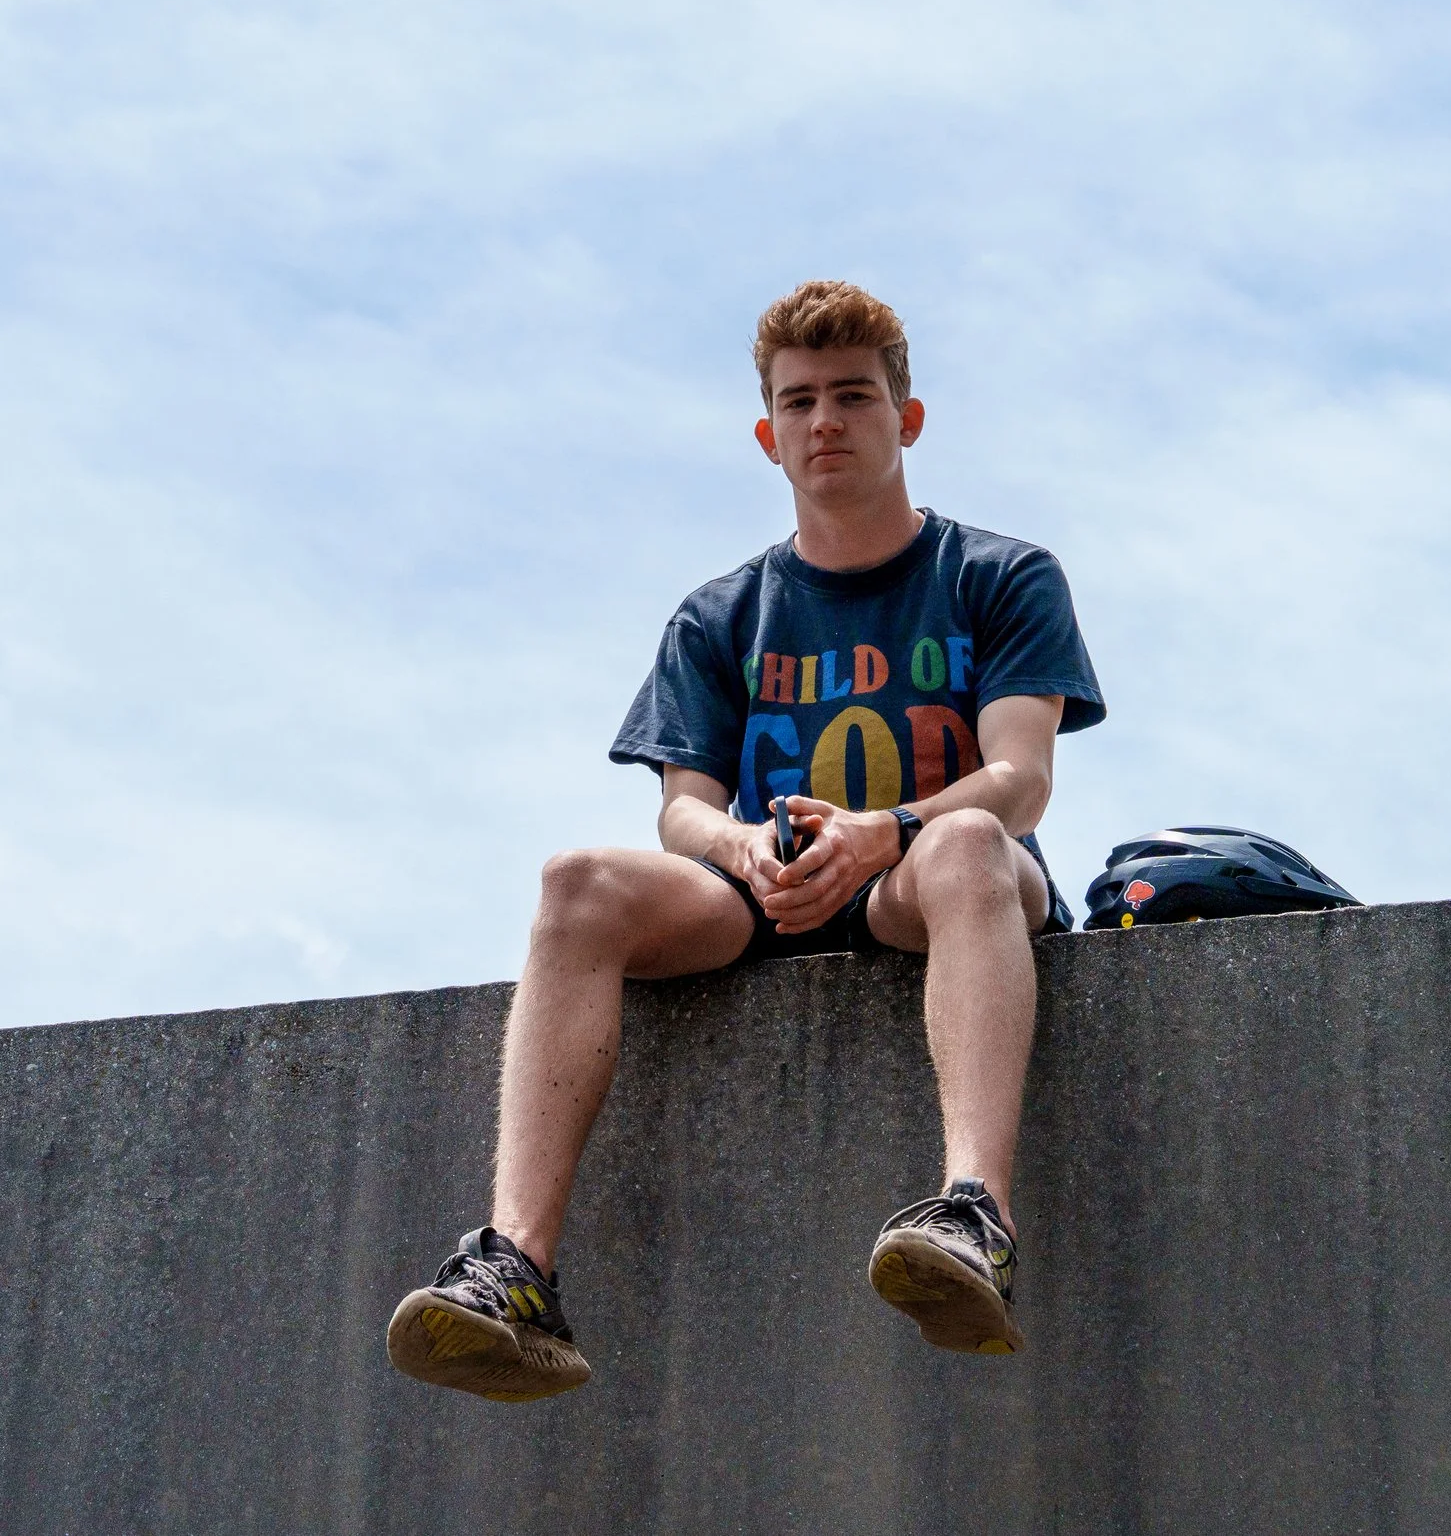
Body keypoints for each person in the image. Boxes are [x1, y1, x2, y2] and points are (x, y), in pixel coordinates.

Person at [385, 280, 1105, 1402]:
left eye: (855, 396)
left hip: (927, 881)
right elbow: (681, 808)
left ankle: (974, 1216)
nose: (828, 422)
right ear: (768, 435)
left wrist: (888, 830)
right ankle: (514, 1265)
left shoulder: (998, 575)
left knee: (966, 840)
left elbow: (1021, 779)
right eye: (802, 401)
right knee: (574, 881)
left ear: (906, 419)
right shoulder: (717, 614)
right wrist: (737, 849)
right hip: (763, 892)